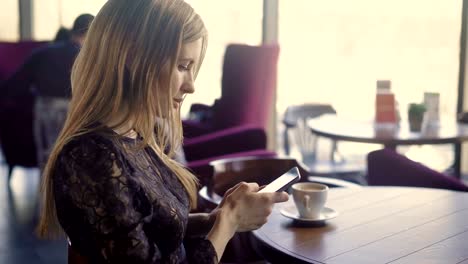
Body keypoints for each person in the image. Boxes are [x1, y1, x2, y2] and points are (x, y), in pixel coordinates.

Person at [37, 0, 288, 263]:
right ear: (132, 57)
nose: (190, 86)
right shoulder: (90, 157)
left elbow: (152, 230)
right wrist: (229, 221)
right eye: (182, 66)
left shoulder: (137, 137)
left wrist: (213, 219)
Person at [0, 14, 94, 168]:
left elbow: (16, 82)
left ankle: (46, 186)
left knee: (47, 155)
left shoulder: (42, 53)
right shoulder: (89, 57)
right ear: (91, 34)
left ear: (73, 31)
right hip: (75, 110)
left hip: (44, 107)